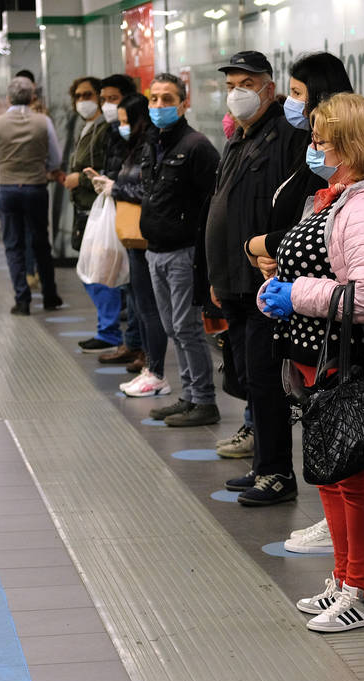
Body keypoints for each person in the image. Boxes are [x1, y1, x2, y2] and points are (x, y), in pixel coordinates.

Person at [258, 92, 364, 632]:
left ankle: (363, 593)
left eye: (321, 140)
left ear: (349, 145)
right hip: (317, 353)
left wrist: (295, 294)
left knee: (353, 479)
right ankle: (342, 579)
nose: (312, 148)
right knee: (331, 475)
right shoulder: (336, 197)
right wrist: (278, 287)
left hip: (350, 359)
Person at [243, 50, 353, 549]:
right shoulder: (309, 160)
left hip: (327, 321)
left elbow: (358, 283)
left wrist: (273, 250)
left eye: (296, 92)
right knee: (312, 412)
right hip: (301, 309)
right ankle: (334, 526)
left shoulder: (359, 193)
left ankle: (349, 557)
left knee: (336, 427)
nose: (292, 105)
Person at [205, 51, 307, 506]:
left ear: (269, 87)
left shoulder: (286, 136)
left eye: (245, 84)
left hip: (266, 282)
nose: (236, 94)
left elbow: (293, 207)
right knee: (249, 377)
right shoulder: (237, 140)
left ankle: (278, 474)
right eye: (230, 86)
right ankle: (262, 464)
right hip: (235, 282)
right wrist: (217, 277)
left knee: (267, 381)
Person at [137, 73, 221, 426]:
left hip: (183, 252)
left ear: (184, 103)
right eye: (154, 99)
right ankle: (188, 395)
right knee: (173, 328)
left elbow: (213, 202)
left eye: (167, 99)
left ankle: (203, 400)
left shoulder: (197, 146)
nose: (159, 106)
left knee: (187, 328)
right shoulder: (153, 142)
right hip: (154, 250)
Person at [92, 93, 170, 398]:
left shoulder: (150, 146)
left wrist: (117, 188)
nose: (121, 126)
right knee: (140, 303)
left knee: (150, 307)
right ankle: (150, 367)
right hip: (134, 236)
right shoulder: (135, 146)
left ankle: (156, 370)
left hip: (145, 235)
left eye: (126, 121)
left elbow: (148, 189)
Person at [0, 76, 64, 315]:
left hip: (7, 189)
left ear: (7, 98)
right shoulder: (44, 122)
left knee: (13, 244)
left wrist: (4, 173)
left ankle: (22, 299)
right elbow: (56, 158)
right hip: (36, 187)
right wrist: (41, 168)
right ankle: (50, 295)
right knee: (40, 242)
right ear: (32, 97)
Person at [64, 75, 124, 354]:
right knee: (93, 270)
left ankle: (109, 331)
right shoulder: (86, 127)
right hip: (87, 208)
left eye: (88, 95)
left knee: (100, 273)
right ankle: (108, 327)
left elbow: (106, 170)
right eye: (78, 96)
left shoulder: (105, 129)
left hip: (101, 208)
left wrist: (82, 179)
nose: (83, 101)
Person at [96, 73, 144, 369]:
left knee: (142, 297)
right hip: (124, 217)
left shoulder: (142, 142)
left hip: (141, 226)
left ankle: (144, 353)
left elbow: (143, 186)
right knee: (130, 288)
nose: (106, 106)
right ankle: (134, 344)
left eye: (112, 99)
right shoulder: (117, 133)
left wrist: (115, 186)